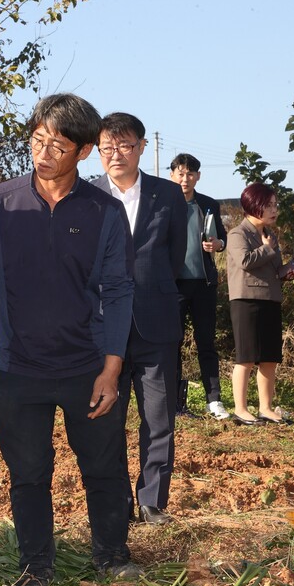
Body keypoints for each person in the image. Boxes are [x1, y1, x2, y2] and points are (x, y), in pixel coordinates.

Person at [0, 93, 138, 586]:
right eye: (37, 140)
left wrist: (111, 368)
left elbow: (119, 289)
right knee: (28, 474)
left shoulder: (103, 211)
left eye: (57, 145)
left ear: (83, 152)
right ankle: (35, 568)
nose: (43, 152)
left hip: (88, 367)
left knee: (104, 467)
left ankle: (111, 556)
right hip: (19, 369)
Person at [92, 113, 187, 527]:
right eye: (107, 148)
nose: (116, 155)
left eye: (125, 146)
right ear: (97, 151)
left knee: (160, 417)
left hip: (156, 322)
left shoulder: (168, 195)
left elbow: (177, 256)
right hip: (101, 329)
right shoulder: (86, 196)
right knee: (106, 422)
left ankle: (152, 500)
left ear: (142, 148)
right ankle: (116, 502)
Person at [226, 183, 294, 426]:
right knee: (246, 357)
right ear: (253, 205)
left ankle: (266, 408)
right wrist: (267, 249)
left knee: (269, 357)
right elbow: (246, 261)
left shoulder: (270, 235)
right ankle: (240, 409)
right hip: (246, 299)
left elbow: (272, 269)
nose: (273, 209)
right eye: (268, 205)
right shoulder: (238, 233)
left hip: (270, 298)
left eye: (275, 204)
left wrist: (289, 270)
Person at [169, 153, 229, 420]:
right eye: (181, 173)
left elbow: (223, 239)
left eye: (190, 173)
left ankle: (213, 400)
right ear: (172, 175)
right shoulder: (163, 204)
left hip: (204, 283)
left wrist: (218, 245)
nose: (185, 178)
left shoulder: (208, 204)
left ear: (198, 176)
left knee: (207, 342)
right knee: (173, 344)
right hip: (173, 286)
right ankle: (174, 402)